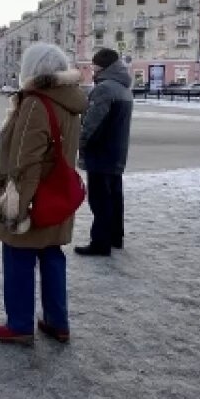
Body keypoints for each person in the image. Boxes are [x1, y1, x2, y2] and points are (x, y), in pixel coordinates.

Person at [0, 43, 87, 345]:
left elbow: (25, 163)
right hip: (58, 195)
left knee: (17, 257)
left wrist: (17, 207)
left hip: (34, 197)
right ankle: (57, 321)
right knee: (52, 255)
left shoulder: (35, 103)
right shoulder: (71, 101)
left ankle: (20, 324)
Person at [75, 48, 133, 256]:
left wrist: (81, 141)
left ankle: (100, 242)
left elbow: (92, 123)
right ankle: (116, 237)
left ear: (101, 66)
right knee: (115, 196)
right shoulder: (123, 88)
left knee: (100, 199)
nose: (93, 70)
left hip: (101, 152)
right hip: (117, 151)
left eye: (94, 66)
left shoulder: (104, 89)